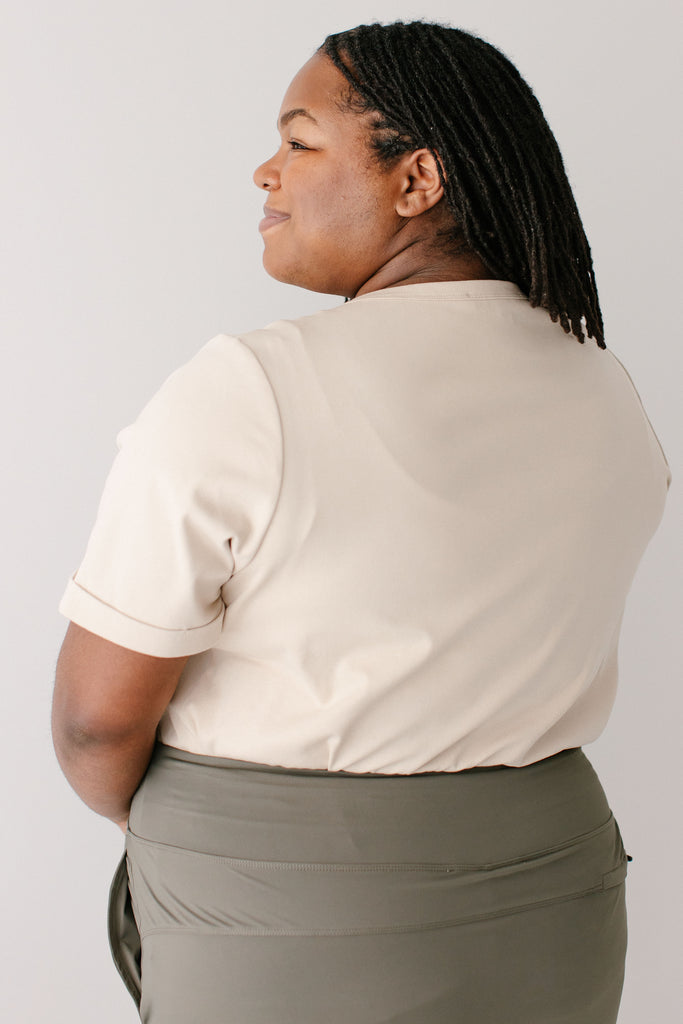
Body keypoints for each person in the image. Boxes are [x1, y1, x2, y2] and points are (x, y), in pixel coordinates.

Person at [52, 20, 671, 1024]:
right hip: (553, 900)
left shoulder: (253, 387)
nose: (266, 172)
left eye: (299, 141)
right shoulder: (602, 388)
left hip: (281, 902)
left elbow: (96, 719)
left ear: (415, 179)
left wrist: (213, 839)